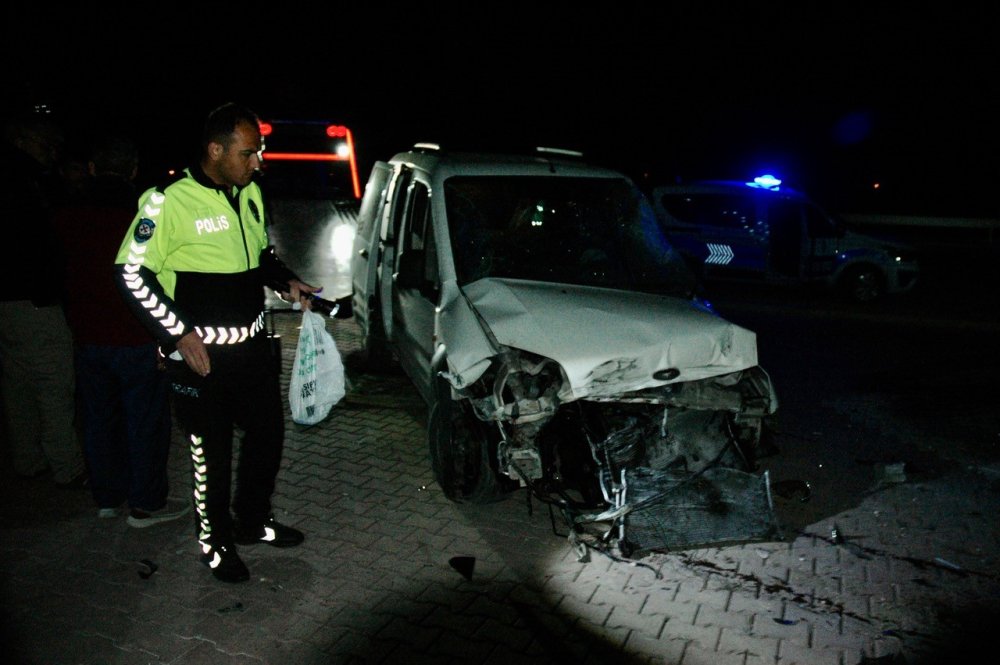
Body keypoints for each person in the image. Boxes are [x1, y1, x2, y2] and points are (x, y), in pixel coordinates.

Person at [113, 103, 318, 583]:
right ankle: (215, 542)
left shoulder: (251, 193)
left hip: (253, 351)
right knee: (212, 455)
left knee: (267, 438)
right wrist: (177, 332)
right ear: (215, 150)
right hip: (201, 359)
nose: (257, 163)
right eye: (248, 154)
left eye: (259, 152)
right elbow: (130, 272)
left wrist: (287, 281)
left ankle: (253, 522)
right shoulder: (167, 201)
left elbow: (260, 256)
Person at [52, 134, 189, 526]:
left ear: (92, 168)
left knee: (98, 420)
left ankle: (107, 497)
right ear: (133, 170)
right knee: (145, 422)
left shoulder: (65, 212)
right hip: (137, 335)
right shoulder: (143, 212)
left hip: (88, 335)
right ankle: (145, 502)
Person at [0, 112, 88, 488]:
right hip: (35, 298)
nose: (51, 153)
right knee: (53, 382)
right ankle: (66, 466)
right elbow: (41, 243)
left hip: (9, 298)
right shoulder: (29, 182)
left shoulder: (17, 177)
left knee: (17, 383)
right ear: (22, 139)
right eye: (45, 144)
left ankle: (28, 460)